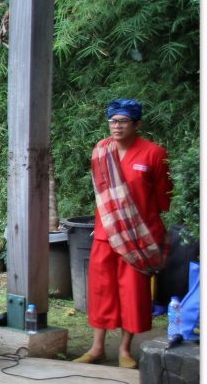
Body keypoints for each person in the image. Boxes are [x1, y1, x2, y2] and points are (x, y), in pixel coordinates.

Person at [74, 99, 172, 368]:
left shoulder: (154, 153)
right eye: (112, 121)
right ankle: (96, 348)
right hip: (106, 233)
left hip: (139, 237)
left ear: (137, 124)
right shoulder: (101, 150)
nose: (116, 126)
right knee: (102, 290)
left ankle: (125, 350)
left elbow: (164, 199)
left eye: (123, 121)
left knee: (132, 292)